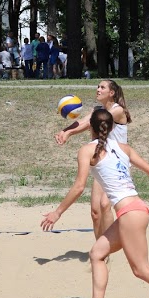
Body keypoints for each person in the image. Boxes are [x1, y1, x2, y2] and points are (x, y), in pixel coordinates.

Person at [42, 108, 149, 298]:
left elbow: (79, 187)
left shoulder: (87, 150)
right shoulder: (124, 148)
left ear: (90, 128)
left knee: (141, 269)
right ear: (112, 127)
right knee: (97, 254)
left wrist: (57, 212)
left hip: (130, 213)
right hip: (136, 209)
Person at [55, 79, 131, 239]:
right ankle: (100, 247)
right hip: (103, 163)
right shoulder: (98, 109)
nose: (98, 89)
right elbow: (83, 121)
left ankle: (110, 244)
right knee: (96, 212)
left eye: (102, 87)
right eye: (98, 86)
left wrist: (69, 133)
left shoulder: (117, 110)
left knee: (105, 204)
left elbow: (91, 123)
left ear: (111, 93)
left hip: (118, 164)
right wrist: (64, 131)